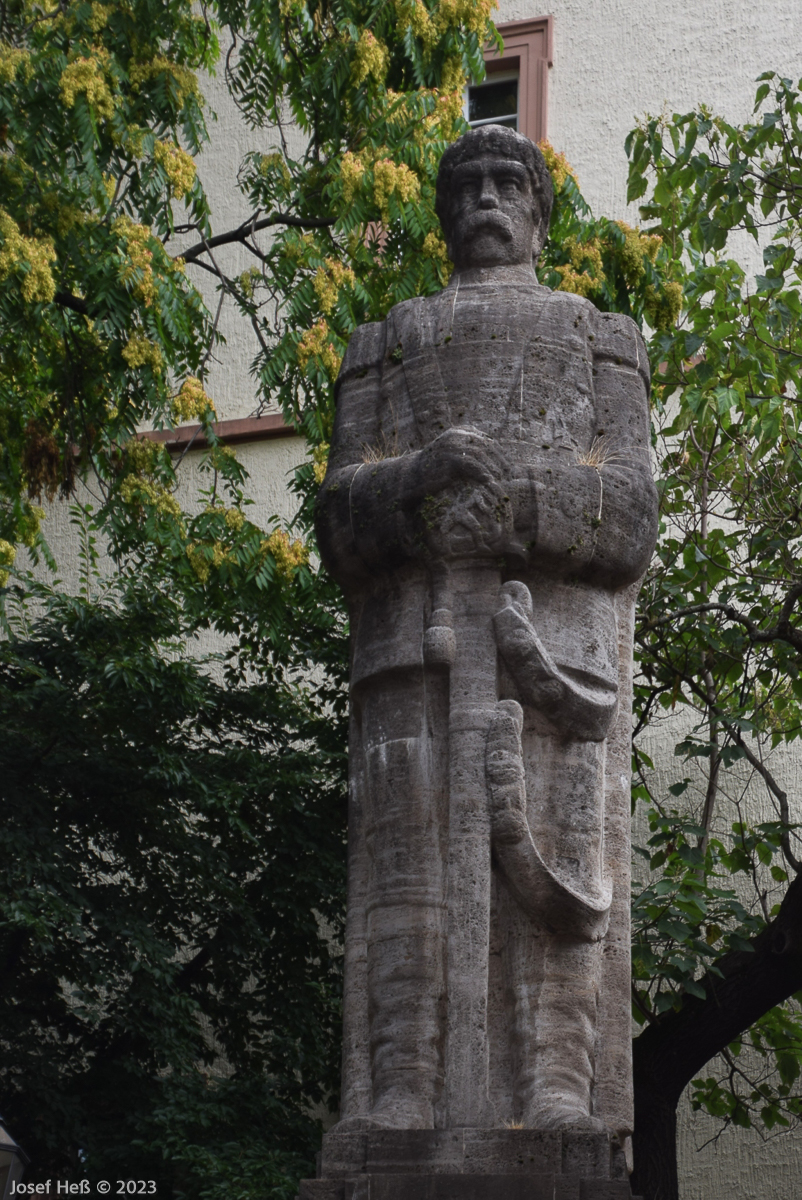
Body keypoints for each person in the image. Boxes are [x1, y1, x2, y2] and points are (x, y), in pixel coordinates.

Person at [315, 125, 658, 1138]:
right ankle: (402, 1085)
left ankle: (556, 1084)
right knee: (406, 883)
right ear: (442, 214)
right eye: (465, 187)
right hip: (410, 656)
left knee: (558, 874)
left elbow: (632, 515)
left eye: (508, 183)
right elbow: (337, 522)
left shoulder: (601, 338)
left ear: (540, 215)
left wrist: (521, 500)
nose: (484, 201)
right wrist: (415, 481)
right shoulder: (384, 343)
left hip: (556, 659)